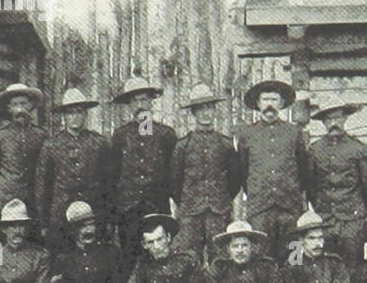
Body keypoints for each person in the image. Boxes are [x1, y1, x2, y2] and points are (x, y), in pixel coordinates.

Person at [236, 79, 310, 263]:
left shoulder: (294, 132)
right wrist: (259, 191)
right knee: (261, 258)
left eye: (274, 100)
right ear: (258, 103)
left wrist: (291, 192)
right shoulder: (247, 134)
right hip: (260, 208)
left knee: (294, 257)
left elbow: (303, 170)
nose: (269, 104)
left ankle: (292, 282)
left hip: (289, 207)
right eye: (265, 99)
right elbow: (243, 172)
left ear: (282, 103)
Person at [108, 76, 177, 269]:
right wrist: (115, 213)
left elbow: (174, 173)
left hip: (157, 207)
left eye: (144, 100)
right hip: (128, 210)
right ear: (129, 105)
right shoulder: (120, 135)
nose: (140, 105)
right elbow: (113, 175)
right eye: (135, 101)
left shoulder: (165, 134)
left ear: (151, 102)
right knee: (130, 258)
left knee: (159, 256)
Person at [306, 93, 367, 268]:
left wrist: (358, 212)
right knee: (326, 266)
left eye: (337, 118)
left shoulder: (359, 149)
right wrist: (321, 208)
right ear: (323, 122)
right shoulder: (315, 150)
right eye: (329, 119)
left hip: (351, 221)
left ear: (345, 118)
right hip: (325, 219)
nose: (333, 123)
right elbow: (310, 186)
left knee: (352, 266)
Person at [171, 83, 243, 266]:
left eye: (209, 108)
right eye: (200, 109)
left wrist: (221, 199)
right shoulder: (183, 146)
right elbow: (174, 182)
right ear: (193, 113)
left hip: (218, 212)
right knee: (188, 259)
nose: (205, 113)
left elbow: (235, 181)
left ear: (214, 111)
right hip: (190, 213)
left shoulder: (225, 144)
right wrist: (189, 201)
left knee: (220, 259)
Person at [35, 88, 111, 255]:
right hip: (60, 214)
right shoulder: (51, 145)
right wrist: (44, 222)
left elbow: (108, 183)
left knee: (93, 256)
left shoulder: (99, 143)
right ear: (64, 116)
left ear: (85, 114)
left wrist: (108, 217)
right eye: (70, 113)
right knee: (62, 257)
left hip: (93, 213)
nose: (75, 117)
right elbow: (43, 186)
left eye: (79, 112)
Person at [0, 83, 48, 238]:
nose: (20, 109)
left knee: (32, 244)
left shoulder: (41, 136)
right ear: (8, 108)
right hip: (4, 203)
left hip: (32, 205)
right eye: (15, 105)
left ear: (31, 106)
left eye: (23, 104)